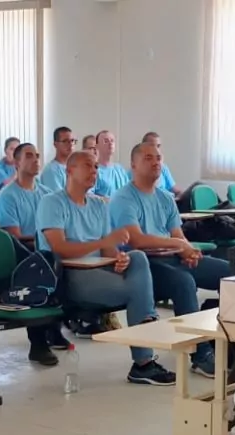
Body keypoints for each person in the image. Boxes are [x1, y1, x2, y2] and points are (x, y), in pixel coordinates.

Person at [38, 151, 172, 386]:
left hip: (100, 270)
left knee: (137, 257)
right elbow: (59, 249)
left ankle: (145, 327)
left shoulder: (99, 205)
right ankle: (144, 350)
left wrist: (118, 257)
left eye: (96, 167)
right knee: (136, 293)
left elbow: (107, 250)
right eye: (87, 166)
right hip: (70, 275)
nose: (94, 171)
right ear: (70, 171)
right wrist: (104, 244)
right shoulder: (52, 202)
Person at [111, 141, 217, 377]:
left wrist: (187, 250)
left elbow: (178, 235)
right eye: (148, 158)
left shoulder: (165, 198)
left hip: (172, 257)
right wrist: (178, 245)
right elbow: (136, 240)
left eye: (158, 157)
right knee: (184, 283)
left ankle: (227, 342)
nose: (156, 162)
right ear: (133, 164)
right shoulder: (124, 198)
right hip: (145, 265)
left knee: (228, 274)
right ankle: (201, 355)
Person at [0, 142, 73, 361]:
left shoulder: (48, 195)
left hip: (46, 251)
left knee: (56, 260)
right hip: (22, 253)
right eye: (29, 156)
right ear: (16, 163)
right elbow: (14, 236)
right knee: (40, 268)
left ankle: (55, 331)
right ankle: (38, 344)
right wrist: (45, 237)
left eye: (38, 155)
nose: (36, 159)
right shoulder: (7, 195)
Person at [93, 130, 131, 198]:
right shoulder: (93, 170)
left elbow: (129, 191)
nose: (110, 143)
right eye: (106, 141)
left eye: (112, 141)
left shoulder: (120, 169)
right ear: (97, 146)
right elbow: (88, 195)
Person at [140, 133, 179, 197]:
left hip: (171, 200)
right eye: (152, 146)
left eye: (158, 146)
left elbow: (175, 189)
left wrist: (183, 195)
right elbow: (151, 192)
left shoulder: (163, 167)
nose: (156, 149)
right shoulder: (138, 169)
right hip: (157, 203)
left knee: (196, 185)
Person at [40, 127, 75, 192]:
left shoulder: (76, 167)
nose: (70, 144)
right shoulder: (51, 171)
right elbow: (57, 199)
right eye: (65, 141)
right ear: (55, 144)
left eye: (72, 141)